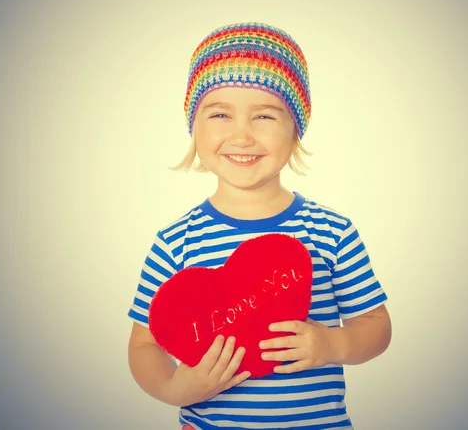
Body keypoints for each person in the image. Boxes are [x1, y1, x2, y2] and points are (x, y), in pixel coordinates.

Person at [127, 22, 392, 429]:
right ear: (194, 126)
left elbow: (375, 326)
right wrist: (174, 389)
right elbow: (144, 343)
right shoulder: (175, 241)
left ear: (295, 128)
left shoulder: (331, 231)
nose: (242, 135)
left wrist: (332, 342)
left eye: (264, 115)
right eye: (219, 114)